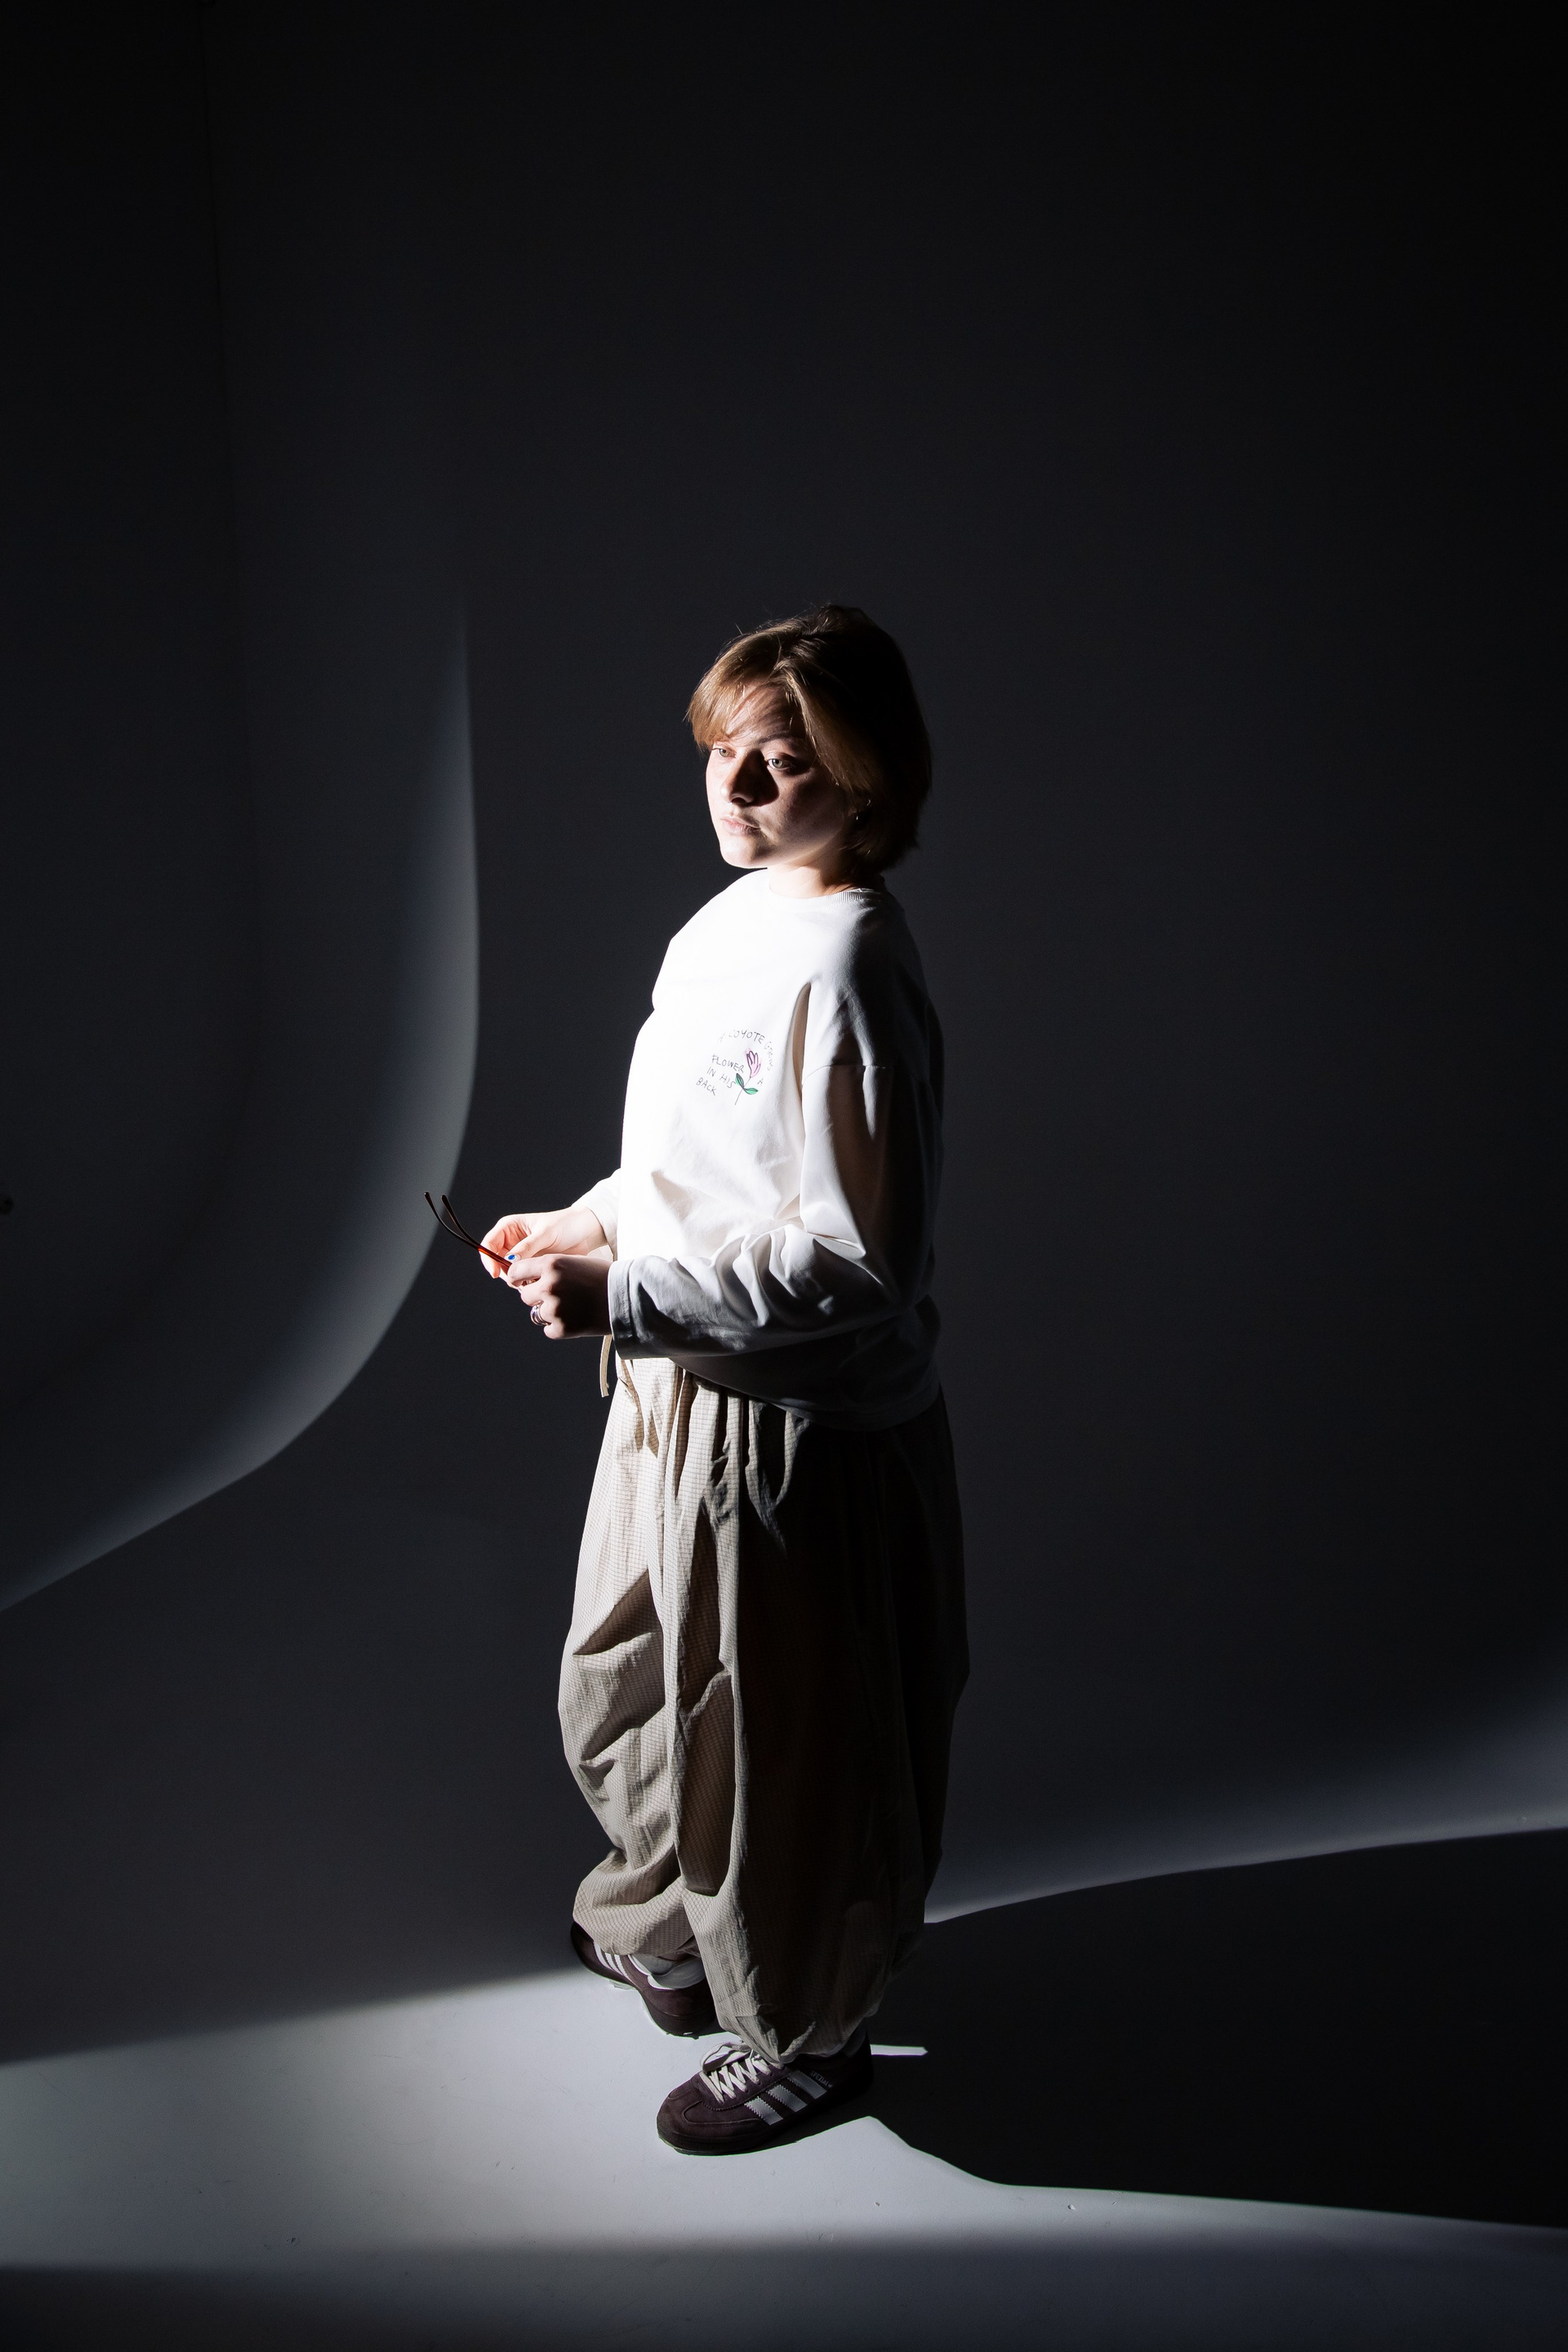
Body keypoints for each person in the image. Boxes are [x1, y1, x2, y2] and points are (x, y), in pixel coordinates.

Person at [479, 604, 967, 2154]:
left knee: (785, 1753)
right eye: (724, 754)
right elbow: (691, 1167)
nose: (741, 789)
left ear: (865, 778)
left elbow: (858, 1262)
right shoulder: (723, 926)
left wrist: (622, 1289)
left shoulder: (852, 965)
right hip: (670, 1388)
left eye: (786, 762)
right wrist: (591, 1223)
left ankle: (811, 2033)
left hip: (797, 1432)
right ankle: (678, 1927)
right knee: (626, 1679)